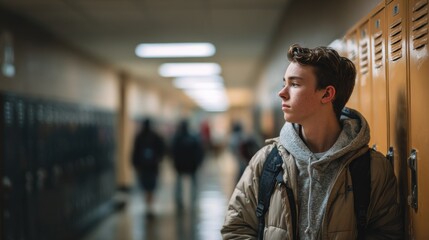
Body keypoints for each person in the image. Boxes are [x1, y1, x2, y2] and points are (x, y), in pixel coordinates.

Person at [221, 44, 403, 239]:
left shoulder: (373, 169)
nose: (282, 93)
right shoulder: (267, 161)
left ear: (326, 94)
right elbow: (236, 229)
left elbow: (387, 234)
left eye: (295, 84)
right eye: (285, 82)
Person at [131, 118, 166, 218]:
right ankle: (150, 208)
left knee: (146, 188)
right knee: (151, 188)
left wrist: (135, 165)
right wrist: (159, 159)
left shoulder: (139, 136)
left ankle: (148, 207)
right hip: (153, 167)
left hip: (143, 168)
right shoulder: (155, 136)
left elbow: (135, 153)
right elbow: (162, 149)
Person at [171, 119, 204, 210]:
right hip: (191, 165)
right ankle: (193, 199)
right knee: (193, 182)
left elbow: (173, 152)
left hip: (181, 165)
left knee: (179, 183)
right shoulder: (193, 138)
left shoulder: (177, 138)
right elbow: (198, 152)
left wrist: (175, 163)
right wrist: (198, 162)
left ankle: (179, 199)